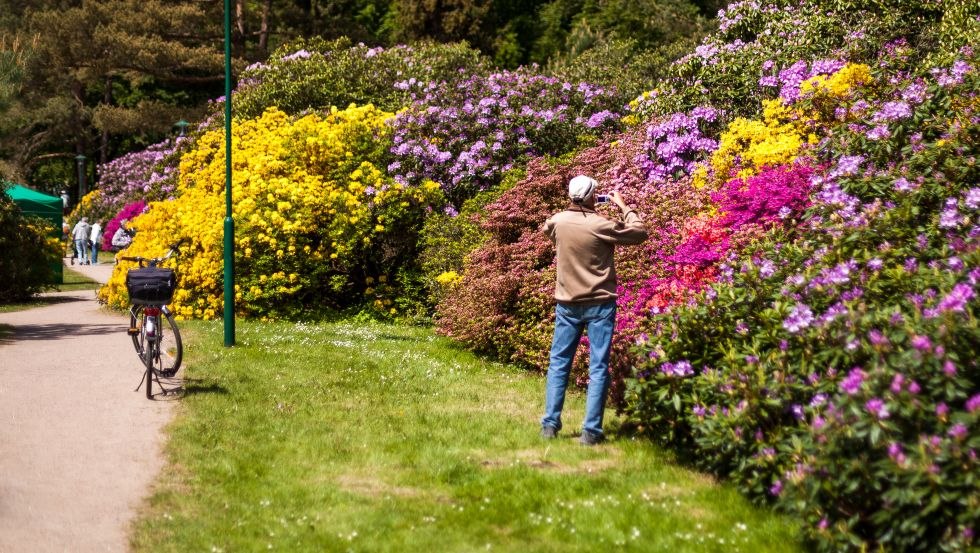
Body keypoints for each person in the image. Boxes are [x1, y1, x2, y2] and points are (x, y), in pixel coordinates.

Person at [540, 175, 648, 445]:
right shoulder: (601, 224)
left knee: (559, 363)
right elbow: (639, 233)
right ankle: (591, 432)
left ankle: (550, 425)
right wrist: (624, 206)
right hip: (600, 303)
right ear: (590, 197)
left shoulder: (558, 221)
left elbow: (547, 229)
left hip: (567, 304)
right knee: (598, 367)